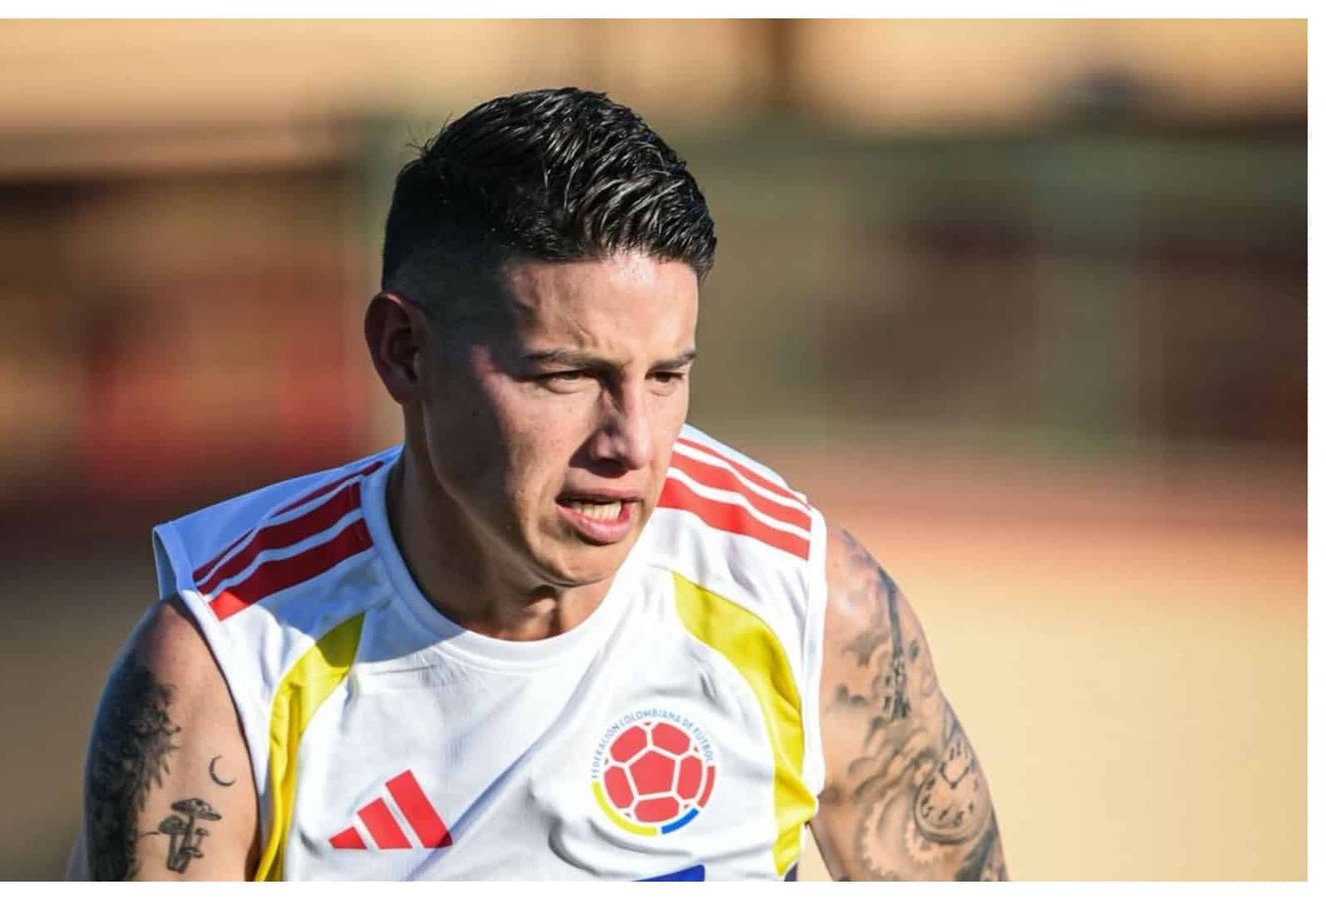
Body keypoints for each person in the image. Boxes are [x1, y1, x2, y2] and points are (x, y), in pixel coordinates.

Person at [70, 87, 1007, 881]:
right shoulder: (225, 668)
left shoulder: (808, 604)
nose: (631, 443)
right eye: (567, 377)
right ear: (404, 353)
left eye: (666, 377)